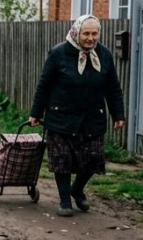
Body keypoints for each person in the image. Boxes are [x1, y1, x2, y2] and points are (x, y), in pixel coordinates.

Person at [28, 14, 125, 217]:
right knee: (62, 159)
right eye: (86, 33)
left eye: (94, 33)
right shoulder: (59, 53)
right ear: (76, 32)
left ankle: (77, 190)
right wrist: (35, 113)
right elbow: (44, 86)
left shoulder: (104, 55)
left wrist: (118, 114)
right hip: (61, 117)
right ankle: (65, 200)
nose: (90, 38)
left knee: (92, 159)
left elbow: (113, 87)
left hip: (92, 117)